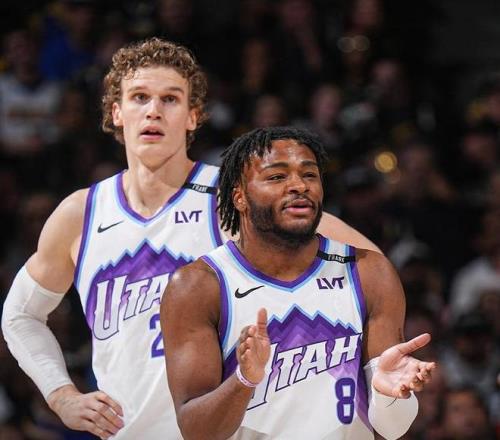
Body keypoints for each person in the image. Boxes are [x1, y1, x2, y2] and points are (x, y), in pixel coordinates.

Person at [1, 39, 380, 439]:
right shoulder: (82, 214)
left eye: (170, 99)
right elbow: (20, 315)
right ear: (117, 112)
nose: (153, 110)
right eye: (139, 97)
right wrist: (61, 396)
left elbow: (367, 262)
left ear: (192, 116)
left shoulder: (231, 198)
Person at [162, 126, 436, 440]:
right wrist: (244, 381)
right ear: (239, 196)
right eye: (277, 177)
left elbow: (392, 429)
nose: (299, 186)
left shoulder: (368, 272)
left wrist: (386, 395)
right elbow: (196, 431)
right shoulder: (198, 286)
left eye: (309, 175)